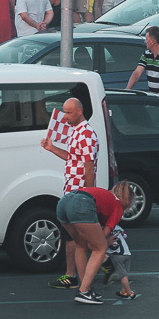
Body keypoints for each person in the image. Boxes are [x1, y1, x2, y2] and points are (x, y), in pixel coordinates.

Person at [41, 97, 99, 290]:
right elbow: (73, 159)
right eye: (64, 112)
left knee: (83, 240)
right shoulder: (75, 132)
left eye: (68, 112)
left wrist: (88, 194)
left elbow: (89, 168)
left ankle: (86, 278)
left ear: (79, 112)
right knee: (73, 237)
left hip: (79, 192)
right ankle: (75, 277)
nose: (64, 117)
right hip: (70, 190)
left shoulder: (87, 134)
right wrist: (52, 149)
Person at [55, 181, 132, 305]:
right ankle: (84, 291)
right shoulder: (118, 205)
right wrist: (105, 242)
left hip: (64, 202)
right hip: (81, 203)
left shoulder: (107, 196)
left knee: (80, 245)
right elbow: (106, 232)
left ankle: (86, 288)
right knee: (100, 248)